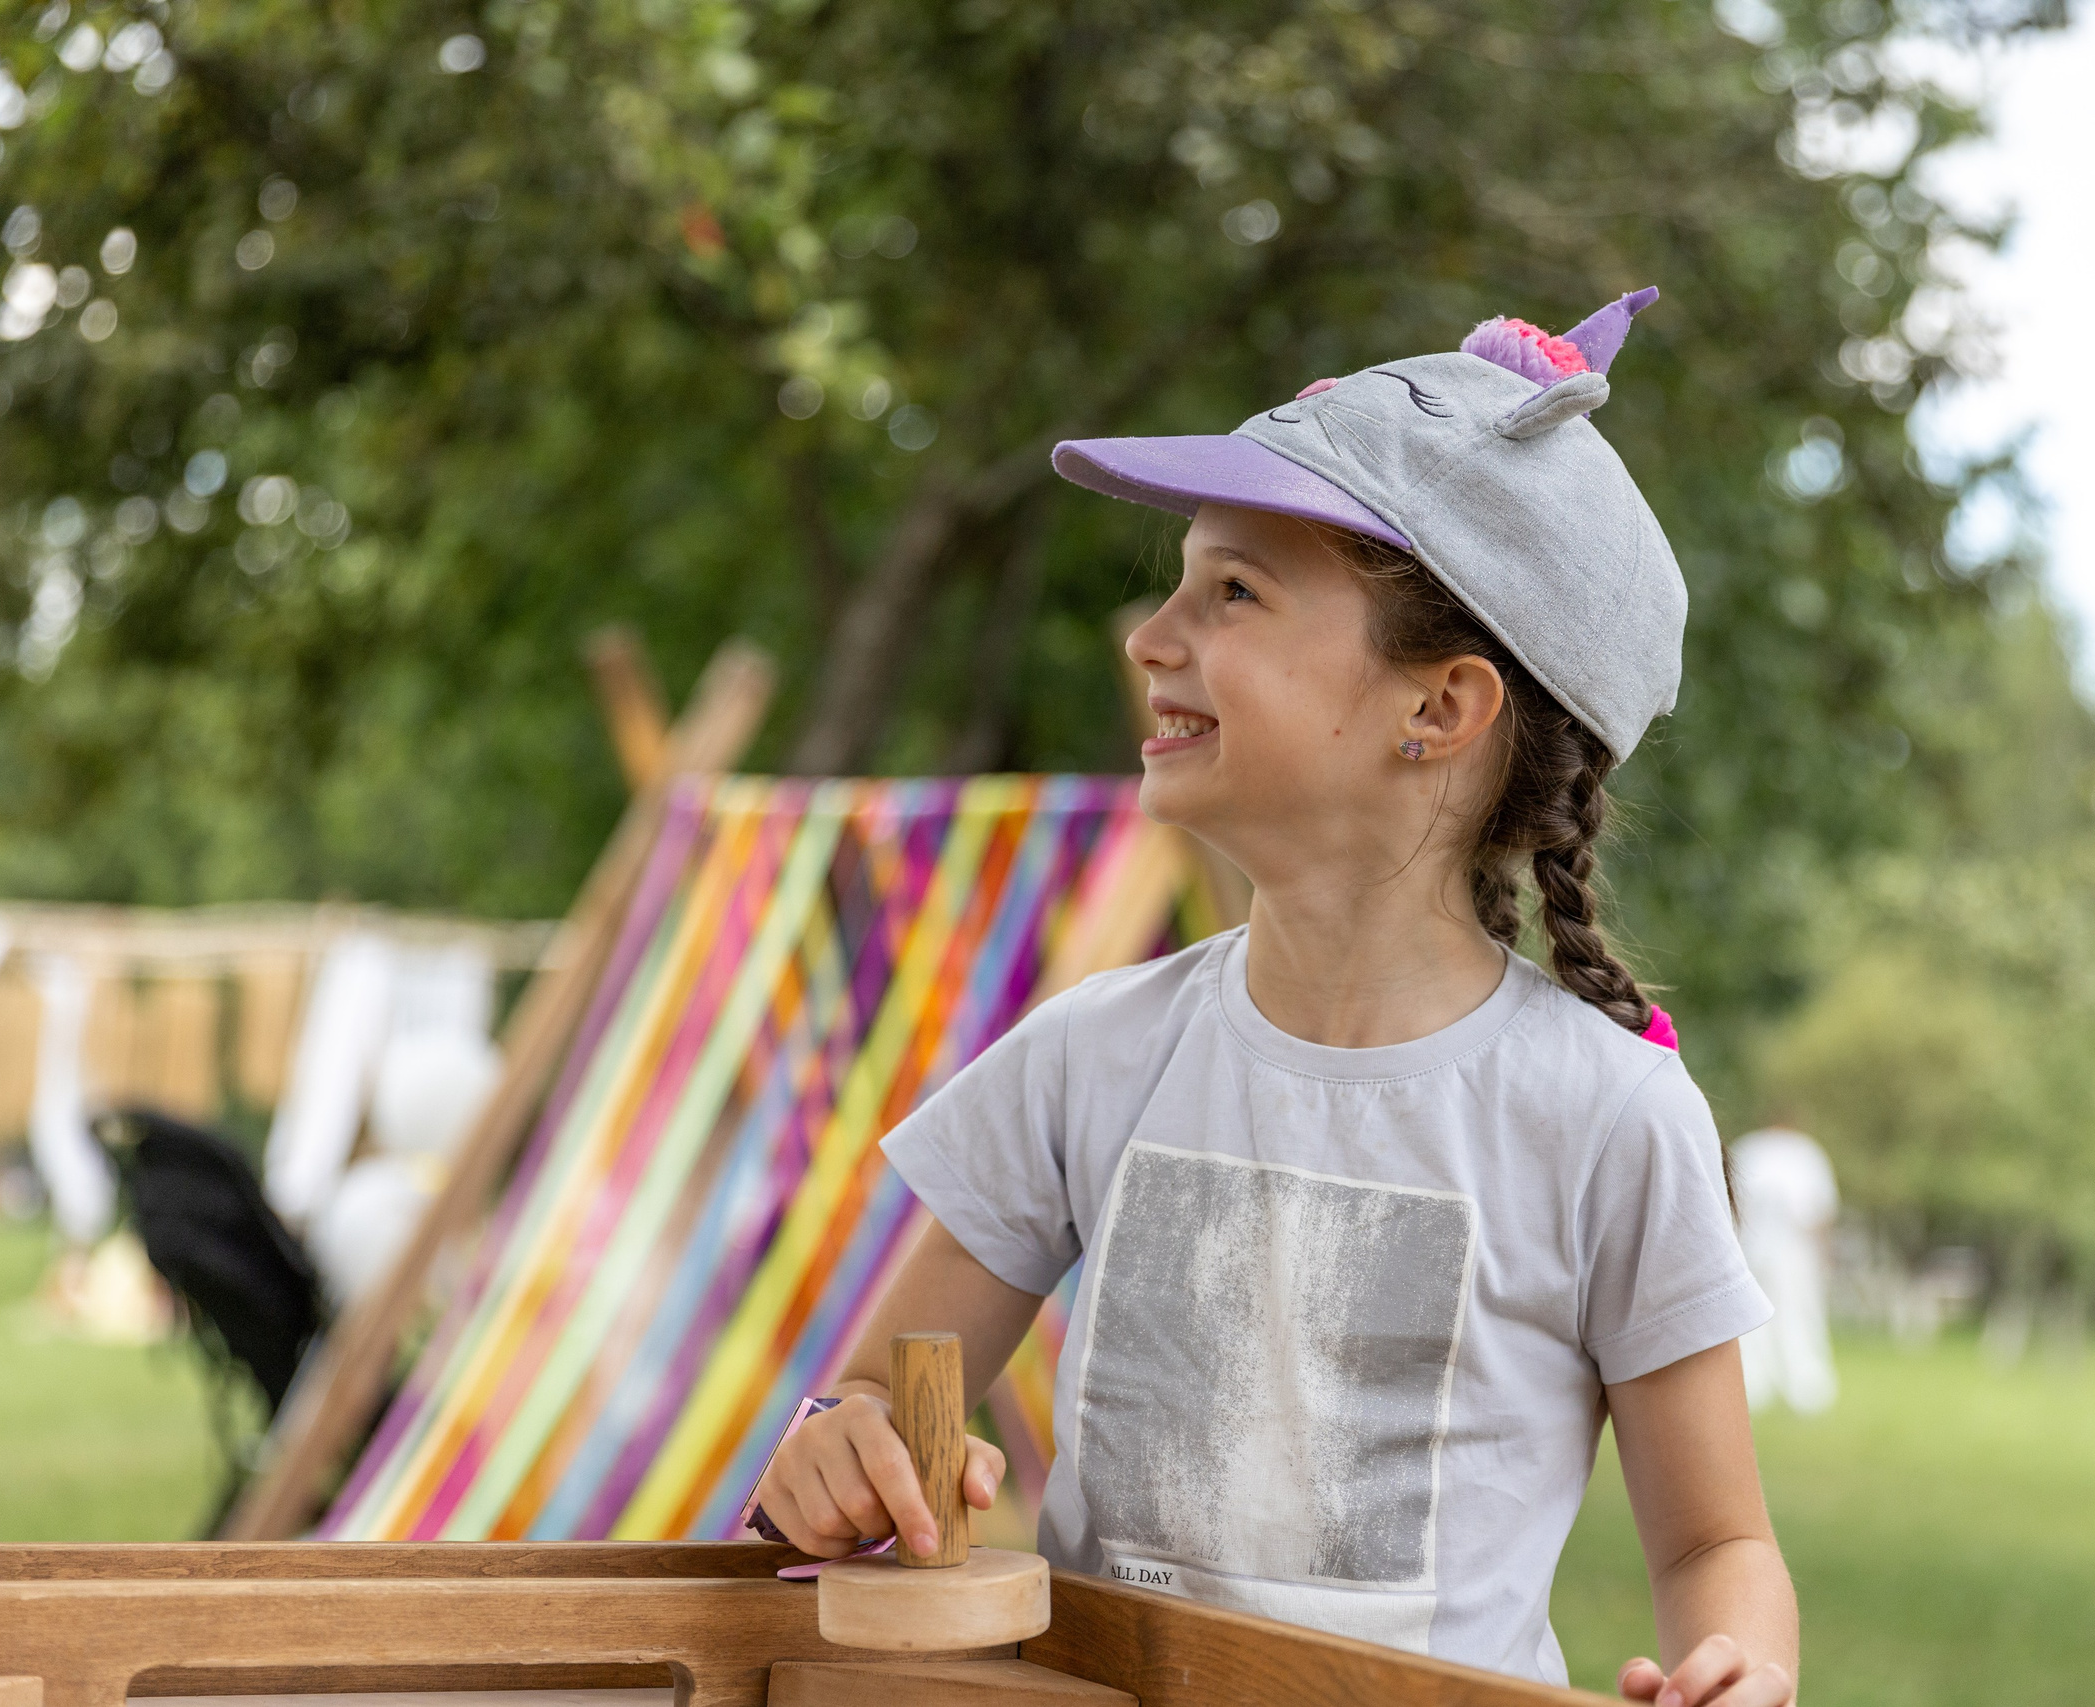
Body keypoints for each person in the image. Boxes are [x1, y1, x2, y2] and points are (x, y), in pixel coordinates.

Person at [750, 298, 1797, 1704]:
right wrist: (840, 1446)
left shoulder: (1607, 1116)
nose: (1151, 638)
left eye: (1231, 592)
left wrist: (1740, 1668)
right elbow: (868, 1400)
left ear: (1441, 707)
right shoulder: (1086, 1056)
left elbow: (1722, 1540)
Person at [1729, 1124, 1840, 1415]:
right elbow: (1820, 1213)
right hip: (1779, 1251)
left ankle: (1766, 1386)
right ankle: (1794, 1386)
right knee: (1790, 1318)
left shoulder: (1750, 1149)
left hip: (1763, 1250)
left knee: (1761, 1321)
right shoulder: (1803, 1154)